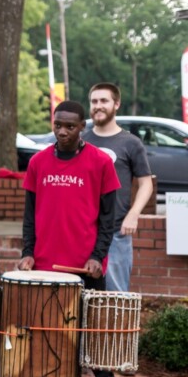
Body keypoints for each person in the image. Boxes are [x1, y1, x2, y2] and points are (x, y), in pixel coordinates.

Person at [18, 100, 122, 377]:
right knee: (49, 332)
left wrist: (97, 256)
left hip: (85, 266)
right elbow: (29, 215)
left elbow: (108, 218)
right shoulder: (37, 162)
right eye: (58, 125)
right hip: (46, 267)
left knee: (95, 330)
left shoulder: (101, 162)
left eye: (70, 126)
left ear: (82, 127)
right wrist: (27, 253)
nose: (62, 132)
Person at [81, 82, 152, 294]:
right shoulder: (81, 140)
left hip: (116, 232)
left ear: (117, 104)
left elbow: (145, 183)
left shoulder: (131, 143)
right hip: (84, 231)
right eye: (94, 101)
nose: (98, 106)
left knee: (115, 296)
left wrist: (134, 214)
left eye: (104, 101)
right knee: (81, 296)